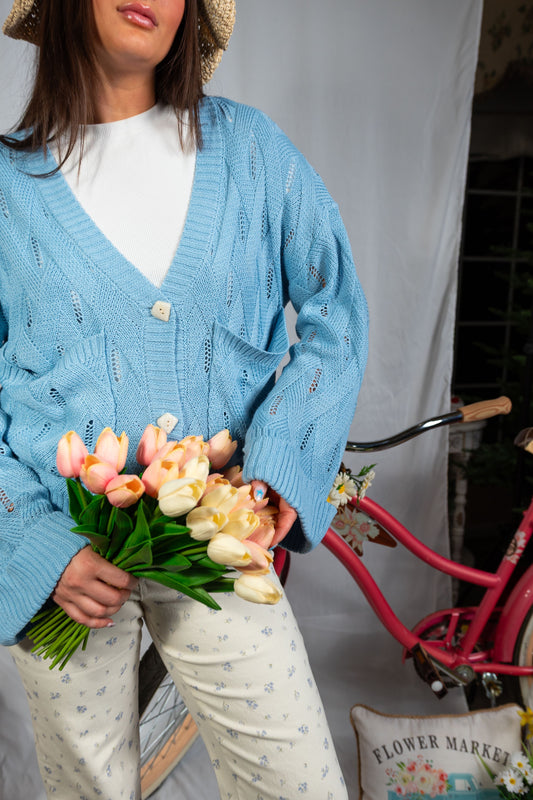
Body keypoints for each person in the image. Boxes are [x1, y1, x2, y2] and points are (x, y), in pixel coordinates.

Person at [0, 0, 368, 798]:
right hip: (66, 557)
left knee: (296, 784)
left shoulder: (250, 150)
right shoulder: (5, 189)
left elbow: (336, 307)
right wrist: (32, 543)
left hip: (215, 535)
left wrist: (274, 465)